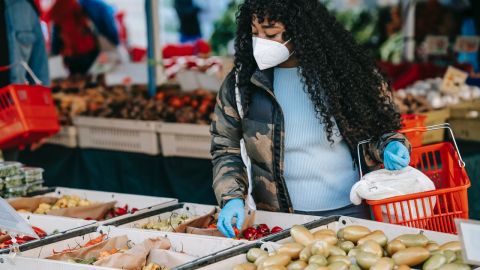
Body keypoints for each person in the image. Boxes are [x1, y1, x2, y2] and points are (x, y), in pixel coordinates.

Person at [210, 0, 411, 238]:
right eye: (254, 33)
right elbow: (226, 148)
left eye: (271, 33)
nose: (260, 42)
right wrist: (231, 197)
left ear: (301, 29)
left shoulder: (347, 76)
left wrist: (391, 145)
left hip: (351, 216)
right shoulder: (240, 85)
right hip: (280, 221)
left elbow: (379, 130)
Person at [0, 0, 49, 161]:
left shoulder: (24, 6)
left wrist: (44, 120)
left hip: (10, 122)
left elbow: (39, 67)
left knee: (9, 180)